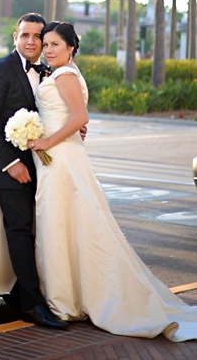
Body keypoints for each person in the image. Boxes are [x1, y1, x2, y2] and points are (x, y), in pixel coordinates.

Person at [30, 21, 197, 342]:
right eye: (46, 44)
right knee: (68, 226)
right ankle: (68, 298)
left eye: (55, 45)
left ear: (70, 48)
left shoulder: (64, 75)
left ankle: (65, 303)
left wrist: (44, 142)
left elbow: (80, 118)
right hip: (64, 158)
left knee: (60, 225)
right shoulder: (63, 73)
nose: (49, 50)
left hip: (61, 160)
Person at [0, 12, 69, 329]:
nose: (31, 42)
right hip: (6, 165)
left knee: (42, 229)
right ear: (15, 37)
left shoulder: (47, 71)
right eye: (25, 35)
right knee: (20, 229)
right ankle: (32, 305)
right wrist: (10, 164)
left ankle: (20, 292)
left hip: (40, 163)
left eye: (37, 37)